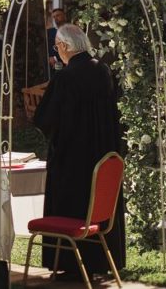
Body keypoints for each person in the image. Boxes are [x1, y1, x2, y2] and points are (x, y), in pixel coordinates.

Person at [33, 23, 125, 279]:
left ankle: (73, 267)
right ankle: (102, 262)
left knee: (72, 207)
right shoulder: (103, 70)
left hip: (71, 158)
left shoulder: (66, 78)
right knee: (98, 205)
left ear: (63, 46)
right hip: (102, 151)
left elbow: (45, 118)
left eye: (57, 46)